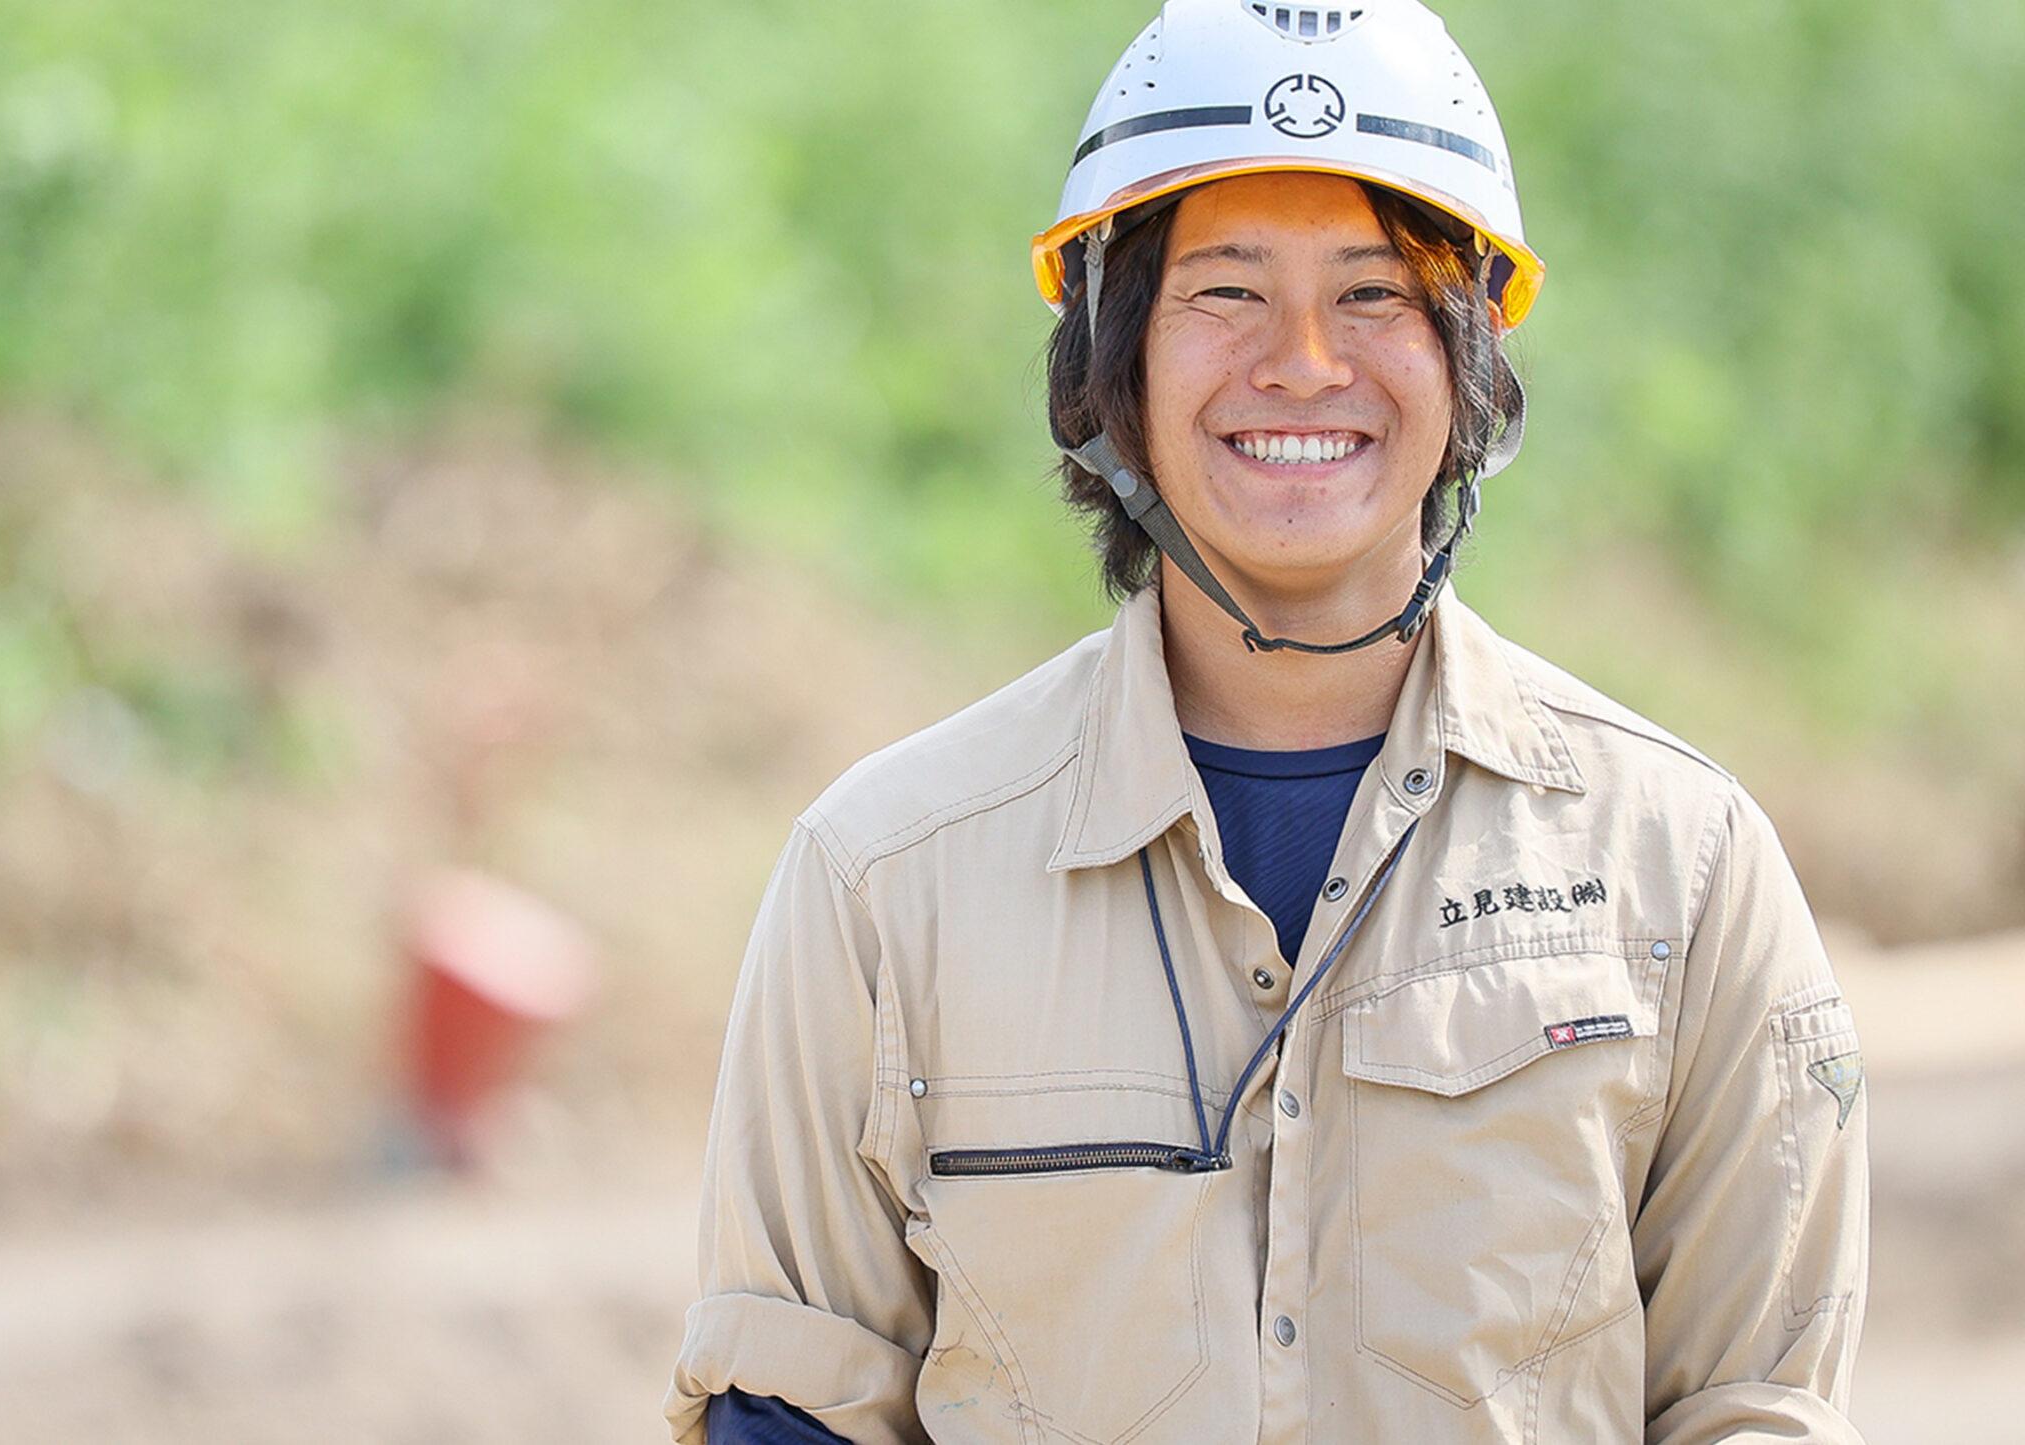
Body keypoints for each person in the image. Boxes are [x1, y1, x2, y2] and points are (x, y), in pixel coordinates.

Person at [666, 1, 1869, 1442]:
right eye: (1226, 292)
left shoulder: (1684, 870)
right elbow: (791, 1411)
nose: (1304, 363)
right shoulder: (883, 882)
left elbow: (1758, 1406)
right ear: (1104, 367)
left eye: (1374, 293)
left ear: (1475, 363)